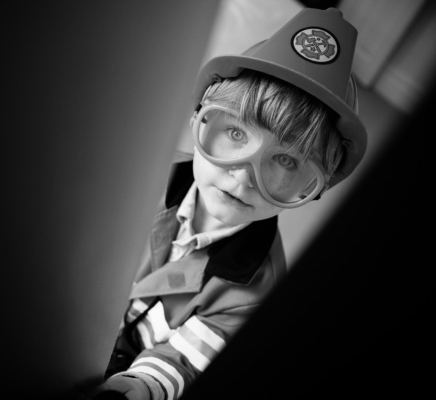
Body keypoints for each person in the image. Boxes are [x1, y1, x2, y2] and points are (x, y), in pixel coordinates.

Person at [89, 7, 367, 400]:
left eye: (287, 161)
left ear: (310, 189)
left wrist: (131, 390)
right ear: (198, 122)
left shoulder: (257, 291)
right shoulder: (138, 178)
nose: (244, 175)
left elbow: (180, 361)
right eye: (235, 131)